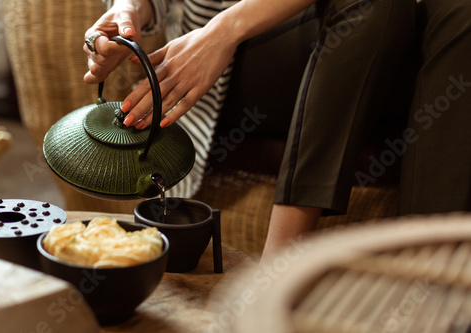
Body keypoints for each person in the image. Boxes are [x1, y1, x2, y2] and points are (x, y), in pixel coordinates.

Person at [84, 0, 471, 261]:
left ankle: (430, 280)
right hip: (250, 53)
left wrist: (224, 28)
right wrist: (129, 7)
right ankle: (276, 272)